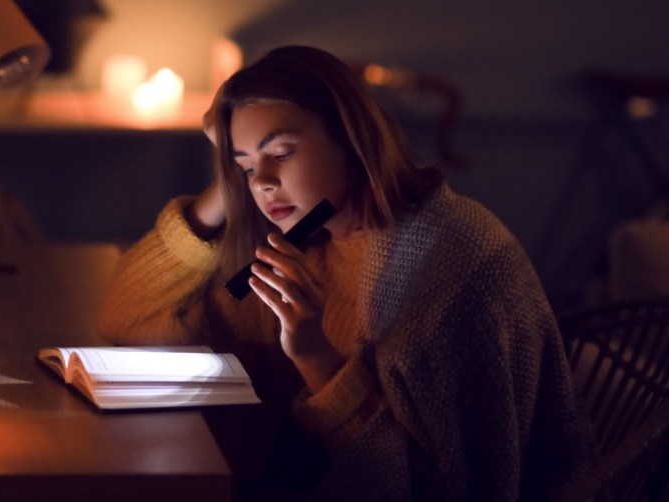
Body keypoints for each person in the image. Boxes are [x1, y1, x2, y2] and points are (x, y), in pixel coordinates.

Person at [98, 45, 595, 500]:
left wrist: (316, 357)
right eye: (249, 166)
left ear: (350, 139)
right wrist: (229, 182)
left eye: (282, 153)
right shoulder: (307, 243)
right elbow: (130, 317)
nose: (264, 183)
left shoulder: (446, 265)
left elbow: (429, 491)